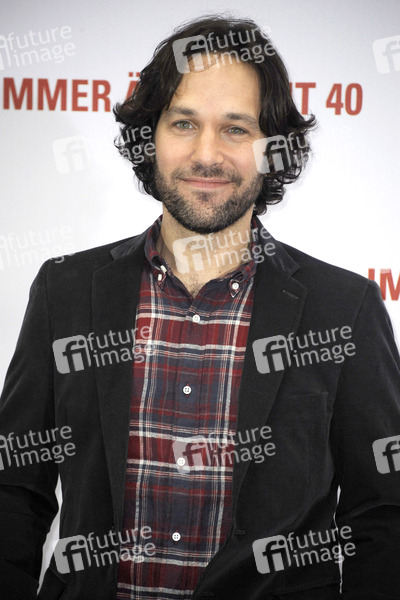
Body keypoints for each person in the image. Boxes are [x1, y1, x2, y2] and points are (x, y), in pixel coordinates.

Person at [1, 14, 400, 600]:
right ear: (151, 137)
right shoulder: (65, 290)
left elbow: (383, 516)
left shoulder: (346, 308)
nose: (206, 154)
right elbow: (14, 492)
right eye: (184, 123)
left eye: (236, 129)